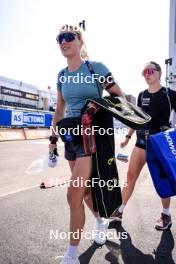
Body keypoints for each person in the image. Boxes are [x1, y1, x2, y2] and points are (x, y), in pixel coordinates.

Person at [51, 24, 124, 264]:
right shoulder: (61, 75)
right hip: (70, 136)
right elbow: (59, 110)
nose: (64, 41)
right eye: (60, 38)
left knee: (73, 194)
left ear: (80, 41)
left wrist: (95, 105)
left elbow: (119, 97)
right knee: (85, 195)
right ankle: (101, 221)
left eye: (69, 36)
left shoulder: (96, 68)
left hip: (91, 136)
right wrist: (52, 140)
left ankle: (71, 254)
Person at [111, 61, 176, 231]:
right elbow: (136, 119)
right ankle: (119, 211)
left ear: (159, 73)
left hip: (160, 145)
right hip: (141, 142)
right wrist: (127, 137)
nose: (146, 74)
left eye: (149, 70)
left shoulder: (169, 94)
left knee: (163, 180)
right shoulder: (141, 95)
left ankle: (166, 215)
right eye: (144, 72)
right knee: (131, 177)